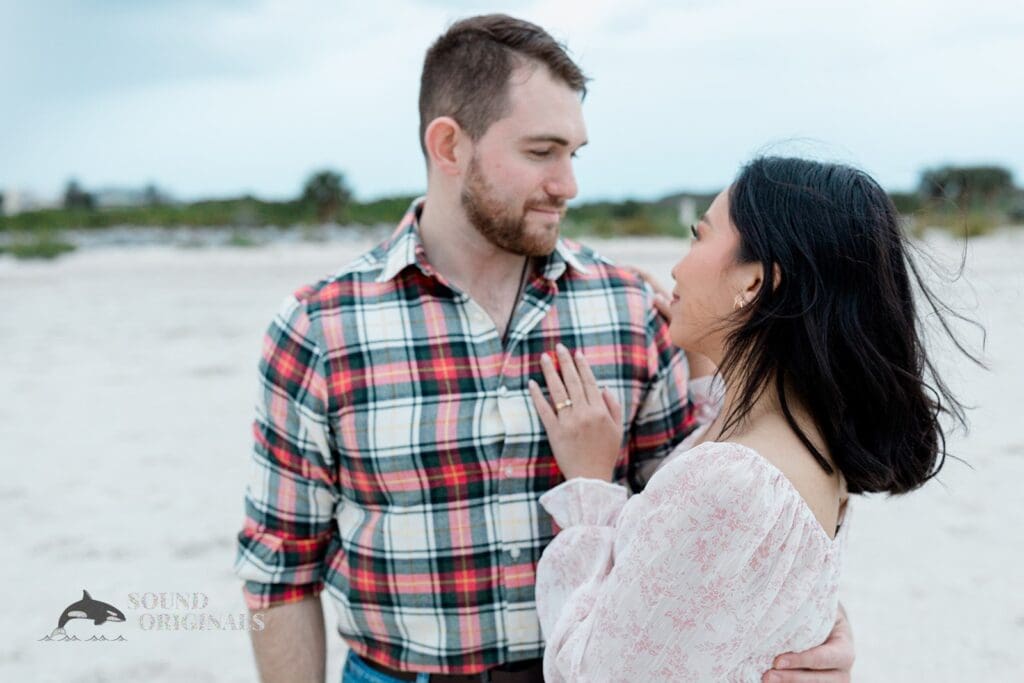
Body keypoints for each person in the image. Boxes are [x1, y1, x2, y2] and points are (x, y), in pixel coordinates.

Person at [233, 15, 854, 683]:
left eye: (574, 154)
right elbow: (281, 571)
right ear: (448, 145)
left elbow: (703, 540)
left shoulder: (628, 310)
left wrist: (814, 637)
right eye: (541, 152)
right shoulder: (318, 329)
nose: (569, 183)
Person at [528, 156, 972, 681]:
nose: (676, 267)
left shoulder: (728, 483)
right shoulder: (809, 436)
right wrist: (708, 355)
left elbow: (587, 673)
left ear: (756, 282)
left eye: (699, 236)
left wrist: (589, 483)